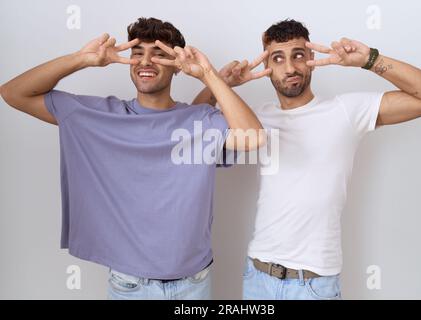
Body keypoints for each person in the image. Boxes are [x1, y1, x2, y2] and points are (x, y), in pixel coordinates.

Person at [0, 17, 266, 300]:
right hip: (130, 287)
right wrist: (81, 59)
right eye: (138, 54)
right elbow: (13, 93)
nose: (146, 62)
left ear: (177, 66)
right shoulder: (98, 117)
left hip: (193, 283)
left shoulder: (200, 119)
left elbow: (253, 137)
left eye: (159, 55)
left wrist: (209, 75)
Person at [193, 19, 421, 300]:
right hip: (257, 277)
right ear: (267, 66)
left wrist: (369, 60)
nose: (290, 68)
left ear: (312, 58)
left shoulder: (345, 112)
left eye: (298, 56)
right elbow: (192, 131)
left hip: (315, 284)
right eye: (278, 58)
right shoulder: (255, 119)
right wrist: (220, 82)